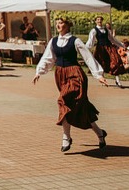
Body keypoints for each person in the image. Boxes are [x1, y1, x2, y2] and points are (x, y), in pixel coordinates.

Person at [33, 17, 108, 152]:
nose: (58, 25)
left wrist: (98, 75)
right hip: (61, 75)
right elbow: (48, 57)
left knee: (63, 101)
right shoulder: (54, 41)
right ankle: (100, 133)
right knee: (81, 108)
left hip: (75, 75)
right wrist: (39, 71)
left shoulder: (75, 40)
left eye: (61, 23)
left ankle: (66, 137)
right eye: (57, 23)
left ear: (67, 25)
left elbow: (88, 57)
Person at [86, 16, 126, 87]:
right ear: (95, 21)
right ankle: (103, 80)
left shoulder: (106, 30)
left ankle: (117, 80)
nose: (99, 21)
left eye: (100, 20)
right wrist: (86, 48)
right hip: (101, 48)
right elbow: (91, 41)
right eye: (98, 20)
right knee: (101, 63)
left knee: (116, 62)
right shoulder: (94, 30)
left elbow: (112, 39)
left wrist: (121, 45)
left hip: (109, 47)